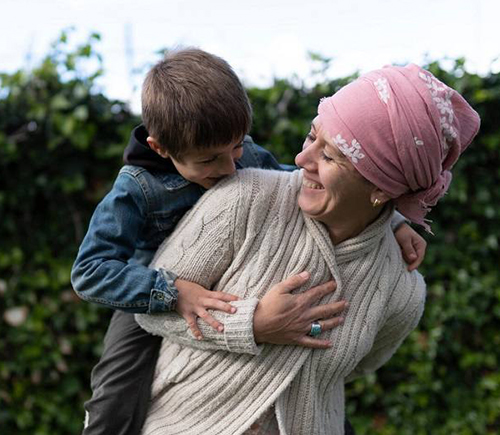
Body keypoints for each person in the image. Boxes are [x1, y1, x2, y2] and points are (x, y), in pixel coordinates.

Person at [71, 48, 425, 435]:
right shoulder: (134, 189)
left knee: (321, 397)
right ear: (161, 148)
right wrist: (172, 291)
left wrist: (394, 219)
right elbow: (90, 272)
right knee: (114, 396)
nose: (229, 169)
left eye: (236, 148)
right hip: (147, 289)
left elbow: (305, 180)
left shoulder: (243, 156)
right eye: (208, 161)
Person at [136, 63, 480, 434]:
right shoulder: (244, 198)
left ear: (381, 187)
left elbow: (356, 368)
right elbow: (147, 310)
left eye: (330, 155)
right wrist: (252, 325)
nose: (302, 160)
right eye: (311, 137)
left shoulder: (403, 290)